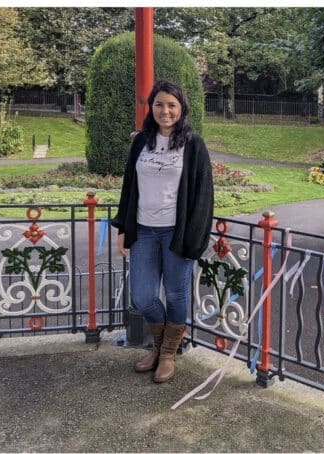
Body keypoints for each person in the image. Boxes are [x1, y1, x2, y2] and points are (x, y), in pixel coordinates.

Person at [112, 80, 214, 383]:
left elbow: (203, 194)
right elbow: (129, 186)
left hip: (176, 231)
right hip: (143, 229)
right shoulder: (141, 141)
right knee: (143, 296)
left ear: (181, 108)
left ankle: (168, 353)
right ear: (151, 107)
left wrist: (195, 237)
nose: (165, 110)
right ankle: (158, 346)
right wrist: (122, 228)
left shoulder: (193, 144)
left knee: (175, 293)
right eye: (159, 104)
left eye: (171, 105)